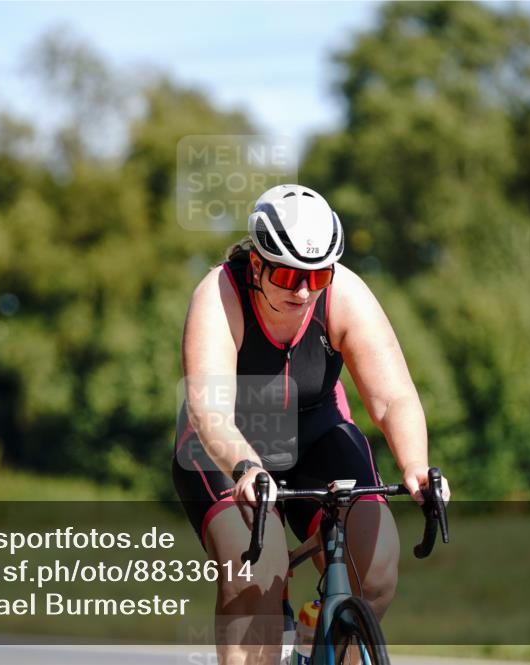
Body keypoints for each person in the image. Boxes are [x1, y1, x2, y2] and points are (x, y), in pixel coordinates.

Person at [172, 184, 451, 665]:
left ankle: (319, 635)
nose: (304, 290)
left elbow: (392, 397)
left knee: (379, 562)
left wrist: (417, 467)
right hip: (226, 444)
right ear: (257, 265)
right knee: (255, 572)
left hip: (316, 436)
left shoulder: (344, 294)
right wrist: (245, 468)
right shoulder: (220, 293)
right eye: (286, 274)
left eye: (317, 276)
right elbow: (209, 411)